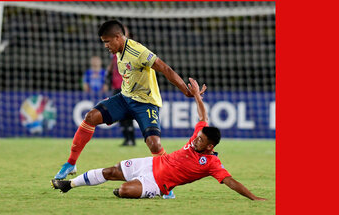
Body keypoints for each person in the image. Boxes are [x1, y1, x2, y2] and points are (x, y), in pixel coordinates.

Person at [54, 20, 205, 199]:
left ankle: (166, 182)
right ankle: (71, 163)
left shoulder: (138, 52)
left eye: (108, 41)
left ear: (118, 37)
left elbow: (165, 68)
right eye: (104, 42)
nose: (106, 46)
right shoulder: (119, 50)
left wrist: (185, 90)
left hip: (146, 103)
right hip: (125, 98)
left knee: (154, 144)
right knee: (90, 116)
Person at [52, 78, 267, 201]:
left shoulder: (212, 164)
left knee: (125, 190)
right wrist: (198, 96)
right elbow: (203, 116)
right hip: (152, 162)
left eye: (200, 141)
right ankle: (69, 184)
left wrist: (253, 197)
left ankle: (160, 193)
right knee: (110, 172)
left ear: (210, 147)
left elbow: (231, 182)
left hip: (158, 182)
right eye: (197, 137)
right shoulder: (199, 134)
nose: (195, 140)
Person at [103, 27, 135, 146]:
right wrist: (107, 78)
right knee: (120, 113)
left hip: (127, 86)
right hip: (116, 85)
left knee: (128, 112)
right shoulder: (115, 51)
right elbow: (111, 66)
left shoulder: (132, 49)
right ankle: (127, 138)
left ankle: (131, 138)